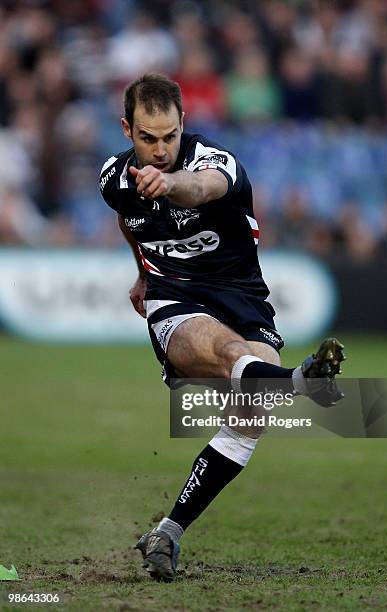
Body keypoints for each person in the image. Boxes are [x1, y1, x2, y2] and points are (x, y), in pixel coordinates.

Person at [99, 73, 345, 582]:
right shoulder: (114, 180)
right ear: (127, 130)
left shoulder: (216, 162)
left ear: (184, 123)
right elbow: (129, 218)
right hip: (175, 298)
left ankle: (167, 531)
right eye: (148, 138)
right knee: (235, 356)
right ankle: (304, 382)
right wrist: (144, 273)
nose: (161, 149)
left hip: (242, 296)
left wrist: (169, 184)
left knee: (252, 407)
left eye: (170, 136)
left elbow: (200, 189)